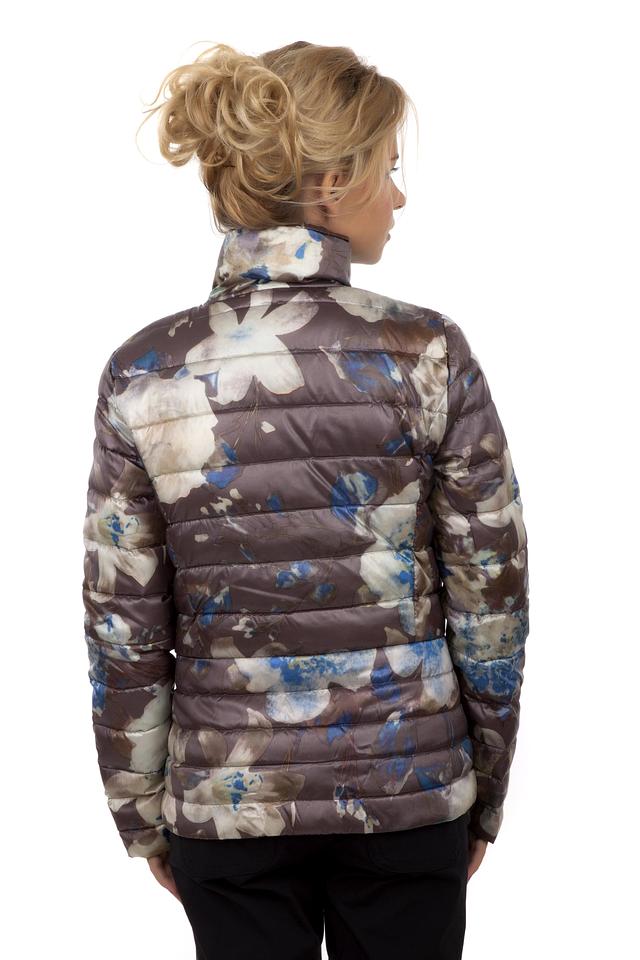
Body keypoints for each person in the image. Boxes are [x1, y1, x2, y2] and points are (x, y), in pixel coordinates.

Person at [82, 40, 529, 960]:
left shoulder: (145, 371)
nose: (398, 197)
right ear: (330, 183)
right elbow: (493, 597)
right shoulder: (428, 353)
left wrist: (141, 807)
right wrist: (480, 785)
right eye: (388, 170)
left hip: (228, 800)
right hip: (407, 796)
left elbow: (121, 626)